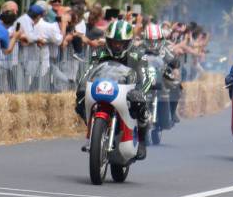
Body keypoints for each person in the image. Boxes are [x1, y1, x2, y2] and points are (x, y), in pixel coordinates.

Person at [75, 19, 152, 159]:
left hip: (128, 92)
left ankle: (141, 140)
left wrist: (141, 93)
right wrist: (81, 86)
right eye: (114, 42)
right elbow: (88, 71)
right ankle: (94, 130)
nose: (117, 46)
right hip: (105, 89)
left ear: (128, 42)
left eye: (121, 43)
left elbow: (145, 78)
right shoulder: (99, 52)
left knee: (143, 109)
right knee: (79, 102)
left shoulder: (138, 55)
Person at [142, 22, 183, 123]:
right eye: (150, 41)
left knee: (177, 87)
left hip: (161, 76)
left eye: (156, 41)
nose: (153, 43)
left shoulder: (164, 50)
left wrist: (174, 65)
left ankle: (172, 112)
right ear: (145, 40)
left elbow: (174, 61)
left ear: (161, 40)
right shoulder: (140, 48)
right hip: (143, 76)